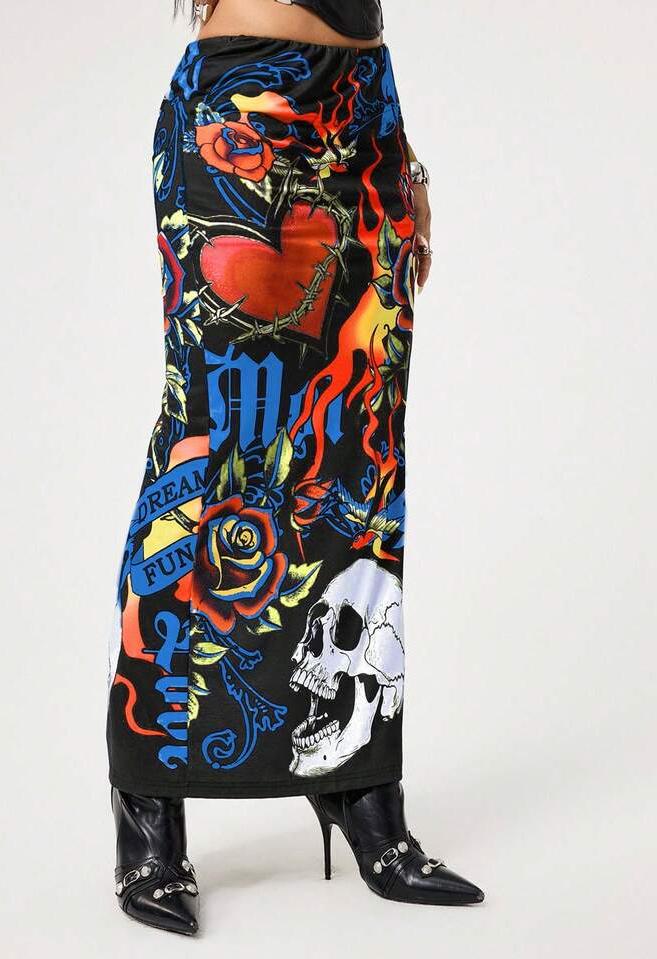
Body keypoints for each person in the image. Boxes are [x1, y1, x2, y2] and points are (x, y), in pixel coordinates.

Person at [106, 0, 483, 935]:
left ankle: (359, 783)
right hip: (240, 119)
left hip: (364, 119)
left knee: (362, 456)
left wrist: (403, 157)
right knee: (210, 443)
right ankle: (147, 797)